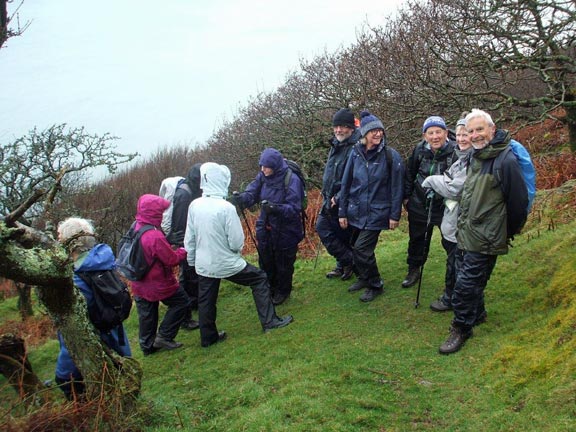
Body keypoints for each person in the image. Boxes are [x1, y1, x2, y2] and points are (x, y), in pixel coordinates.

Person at [439, 109, 528, 354]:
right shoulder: (476, 157)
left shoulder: (504, 160)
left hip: (487, 237)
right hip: (467, 232)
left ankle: (461, 328)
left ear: (492, 129)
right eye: (471, 131)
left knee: (465, 286)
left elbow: (518, 202)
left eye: (480, 129)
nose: (475, 135)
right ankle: (477, 314)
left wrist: (506, 231)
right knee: (464, 277)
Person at [184, 162, 293, 347]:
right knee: (259, 278)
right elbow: (236, 241)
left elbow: (190, 238)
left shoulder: (195, 205)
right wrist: (234, 254)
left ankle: (208, 338)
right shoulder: (225, 208)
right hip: (226, 262)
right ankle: (270, 321)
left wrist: (192, 260)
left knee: (206, 299)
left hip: (204, 263)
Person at [55, 217, 132, 400]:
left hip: (94, 353)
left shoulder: (75, 279)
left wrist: (63, 374)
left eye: (59, 238)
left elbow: (74, 329)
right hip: (118, 343)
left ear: (68, 243)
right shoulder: (102, 263)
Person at [338, 110, 404, 302]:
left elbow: (397, 188)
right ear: (364, 134)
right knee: (354, 246)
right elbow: (346, 183)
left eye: (380, 130)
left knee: (362, 249)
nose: (377, 134)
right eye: (373, 131)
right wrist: (342, 211)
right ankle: (364, 278)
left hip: (377, 213)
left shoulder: (391, 156)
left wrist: (394, 215)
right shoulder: (355, 154)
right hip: (356, 211)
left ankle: (375, 284)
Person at [231, 148, 304, 305]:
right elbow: (252, 193)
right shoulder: (262, 176)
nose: (263, 169)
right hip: (266, 227)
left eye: (266, 166)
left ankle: (283, 291)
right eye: (261, 166)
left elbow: (294, 208)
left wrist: (275, 208)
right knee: (266, 261)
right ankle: (269, 288)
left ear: (275, 166)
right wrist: (241, 199)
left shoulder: (291, 180)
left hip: (286, 230)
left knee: (283, 263)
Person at [422, 113, 472, 312]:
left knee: (458, 264)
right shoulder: (462, 158)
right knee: (455, 261)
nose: (460, 139)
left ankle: (453, 300)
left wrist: (431, 181)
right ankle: (455, 299)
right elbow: (449, 177)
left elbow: (454, 189)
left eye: (465, 134)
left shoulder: (472, 160)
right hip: (453, 221)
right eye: (458, 135)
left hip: (463, 224)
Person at [130, 194, 191, 355]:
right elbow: (171, 260)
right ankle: (164, 335)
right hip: (158, 282)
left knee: (147, 315)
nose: (163, 214)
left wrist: (167, 240)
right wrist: (184, 251)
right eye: (160, 211)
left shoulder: (137, 226)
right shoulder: (154, 236)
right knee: (181, 302)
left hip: (139, 281)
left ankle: (147, 347)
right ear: (154, 213)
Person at [402, 116, 457, 289]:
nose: (435, 136)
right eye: (430, 133)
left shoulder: (456, 151)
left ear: (446, 133)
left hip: (445, 206)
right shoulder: (419, 150)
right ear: (425, 135)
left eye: (438, 132)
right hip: (419, 204)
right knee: (417, 239)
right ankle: (414, 269)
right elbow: (410, 173)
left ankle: (455, 274)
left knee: (451, 241)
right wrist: (407, 196)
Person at [316, 108, 361, 281]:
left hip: (344, 201)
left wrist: (340, 197)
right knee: (328, 230)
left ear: (351, 127)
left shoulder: (355, 147)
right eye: (336, 126)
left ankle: (352, 263)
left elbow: (356, 178)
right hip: (330, 199)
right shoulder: (336, 145)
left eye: (342, 126)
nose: (338, 130)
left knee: (336, 232)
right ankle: (345, 263)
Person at [166, 163, 202, 331]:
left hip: (189, 239)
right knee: (186, 277)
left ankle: (193, 304)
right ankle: (185, 318)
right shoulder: (184, 196)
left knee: (191, 275)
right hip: (185, 242)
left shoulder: (191, 190)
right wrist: (184, 246)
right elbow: (180, 225)